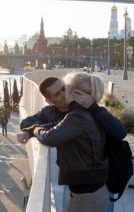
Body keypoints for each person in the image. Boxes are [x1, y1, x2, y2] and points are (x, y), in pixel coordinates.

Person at [28, 73, 122, 211]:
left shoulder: (82, 115)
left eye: (65, 89)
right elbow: (59, 125)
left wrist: (34, 130)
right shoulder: (77, 113)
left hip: (89, 190)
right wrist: (30, 129)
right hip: (88, 188)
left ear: (76, 93)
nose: (63, 94)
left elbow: (50, 137)